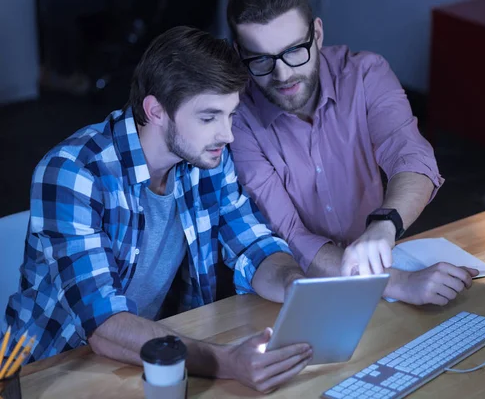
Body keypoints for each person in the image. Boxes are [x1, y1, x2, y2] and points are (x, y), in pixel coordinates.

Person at [2, 26, 311, 393]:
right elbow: (105, 325)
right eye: (209, 117)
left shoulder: (206, 158)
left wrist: (293, 281)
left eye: (231, 115)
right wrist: (224, 362)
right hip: (46, 372)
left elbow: (252, 244)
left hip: (149, 354)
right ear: (156, 111)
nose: (227, 135)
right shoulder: (73, 173)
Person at [227, 0, 479, 307]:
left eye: (294, 50)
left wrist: (385, 224)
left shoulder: (365, 73)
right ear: (240, 53)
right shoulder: (236, 119)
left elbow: (412, 158)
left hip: (382, 259)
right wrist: (398, 283)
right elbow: (292, 235)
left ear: (316, 34)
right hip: (293, 292)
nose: (282, 75)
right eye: (261, 60)